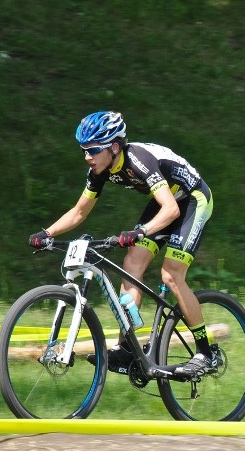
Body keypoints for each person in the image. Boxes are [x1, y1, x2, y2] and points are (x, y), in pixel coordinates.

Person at [28, 111, 215, 377]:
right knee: (132, 262)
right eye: (84, 150)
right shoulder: (100, 169)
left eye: (93, 150)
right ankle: (128, 349)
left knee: (171, 274)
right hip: (167, 201)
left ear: (115, 147)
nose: (87, 157)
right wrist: (47, 232)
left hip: (192, 200)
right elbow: (80, 211)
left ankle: (206, 352)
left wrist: (141, 231)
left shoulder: (140, 161)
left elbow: (172, 211)